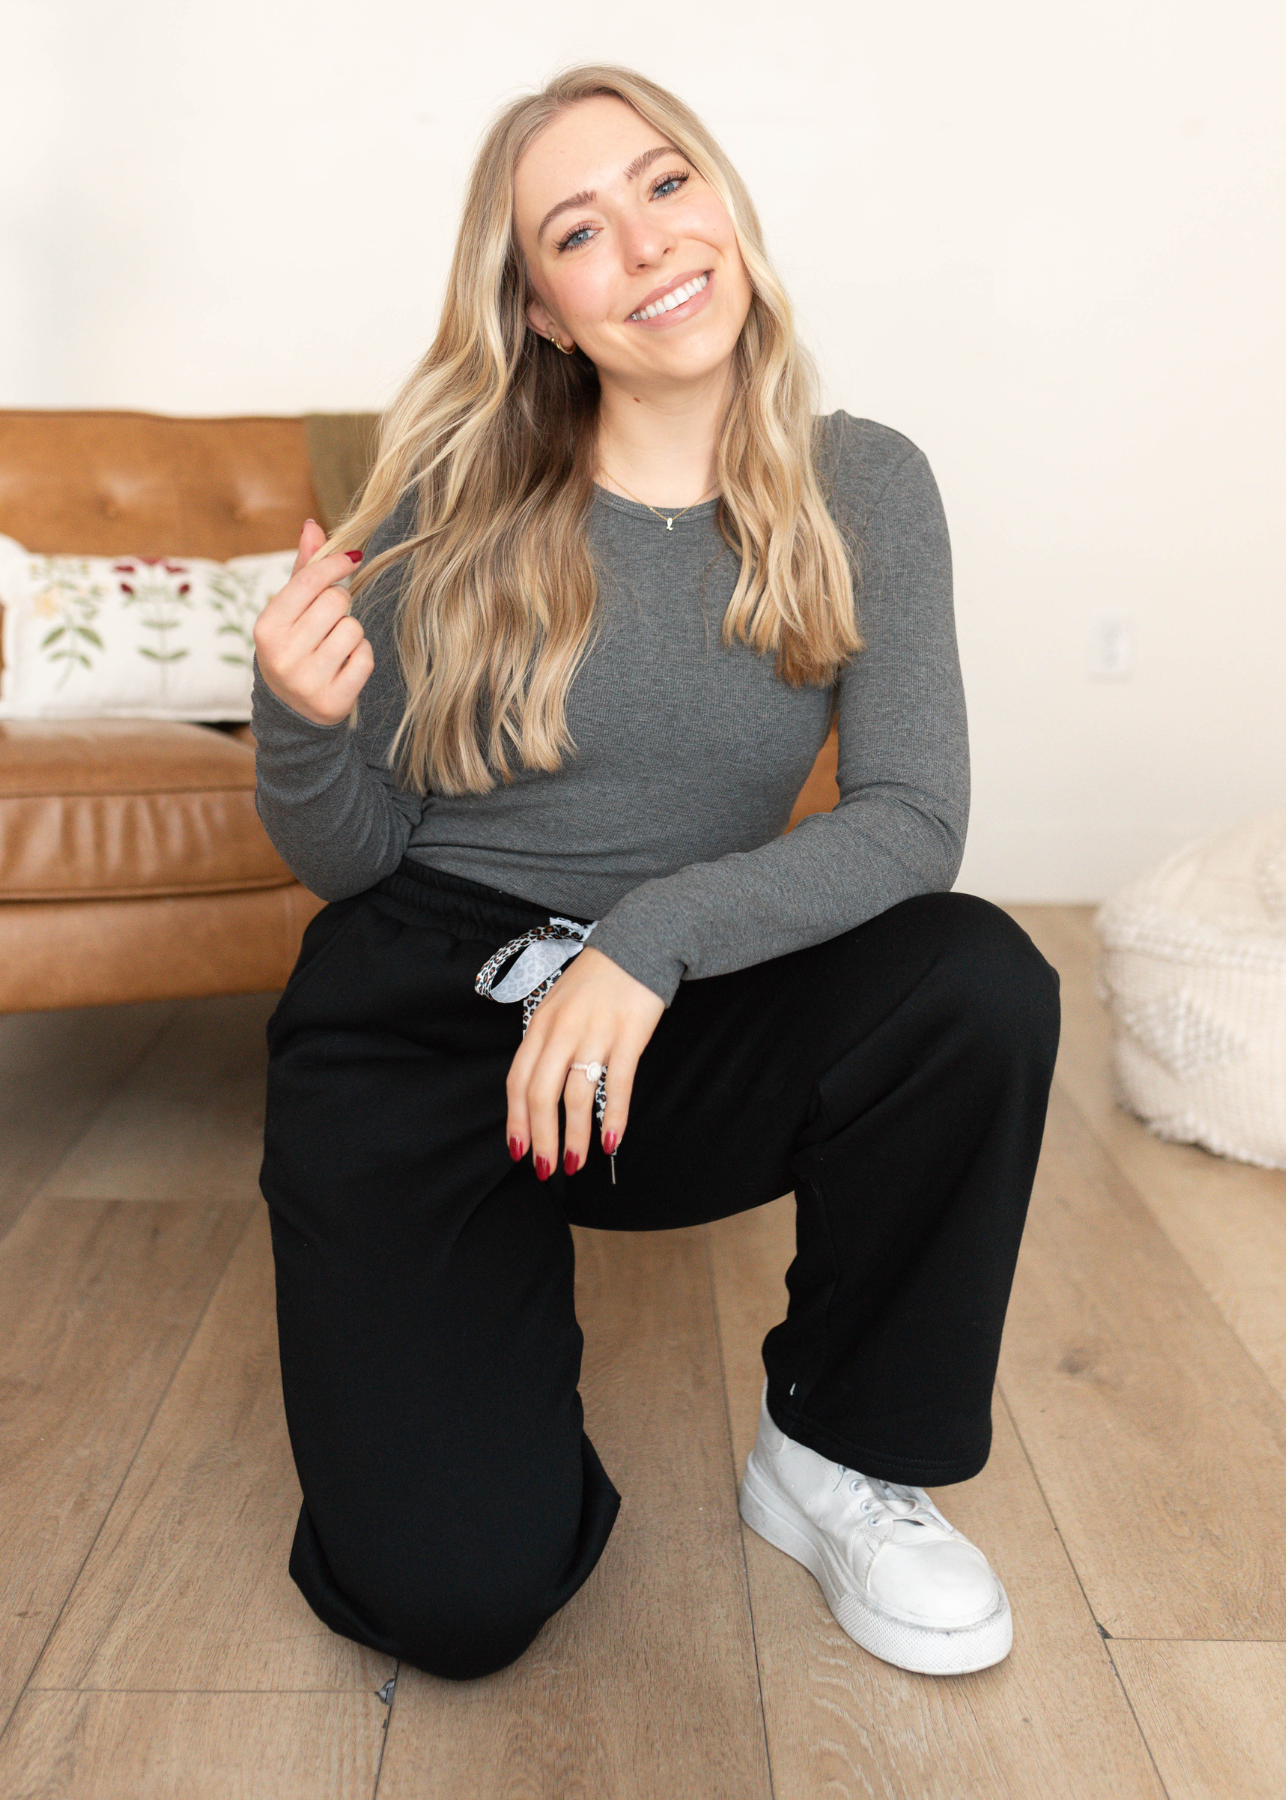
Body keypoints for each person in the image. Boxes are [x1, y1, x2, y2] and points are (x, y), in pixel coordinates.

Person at [251, 63, 1059, 1684]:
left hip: (665, 1009)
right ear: (540, 311)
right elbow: (356, 858)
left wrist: (650, 938)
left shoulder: (862, 483)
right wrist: (298, 722)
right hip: (425, 1013)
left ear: (723, 204)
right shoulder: (448, 501)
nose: (644, 244)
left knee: (973, 978)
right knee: (457, 1604)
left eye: (665, 184)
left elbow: (911, 819)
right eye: (576, 231)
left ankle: (832, 1452)